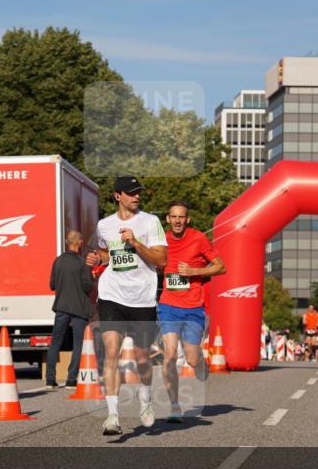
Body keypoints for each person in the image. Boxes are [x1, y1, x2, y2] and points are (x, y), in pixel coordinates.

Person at [86, 175, 167, 436]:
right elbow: (106, 253)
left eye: (139, 192)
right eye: (131, 193)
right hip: (112, 295)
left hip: (142, 298)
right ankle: (112, 416)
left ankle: (145, 401)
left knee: (142, 358)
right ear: (117, 196)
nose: (137, 196)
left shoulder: (150, 222)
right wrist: (96, 258)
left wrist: (136, 242)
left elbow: (162, 259)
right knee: (111, 352)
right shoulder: (104, 225)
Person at [158, 200, 225, 423]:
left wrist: (194, 271)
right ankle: (174, 406)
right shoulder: (160, 239)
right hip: (168, 305)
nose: (177, 221)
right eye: (173, 217)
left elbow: (221, 267)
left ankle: (201, 364)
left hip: (194, 307)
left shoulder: (198, 238)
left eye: (181, 217)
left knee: (192, 359)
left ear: (188, 219)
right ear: (168, 219)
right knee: (168, 356)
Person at [46, 230, 93, 390]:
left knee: (56, 341)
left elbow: (52, 285)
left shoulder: (57, 261)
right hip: (79, 308)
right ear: (79, 242)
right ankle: (71, 379)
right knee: (78, 343)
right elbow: (88, 285)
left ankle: (50, 380)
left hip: (61, 307)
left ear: (67, 242)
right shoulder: (82, 262)